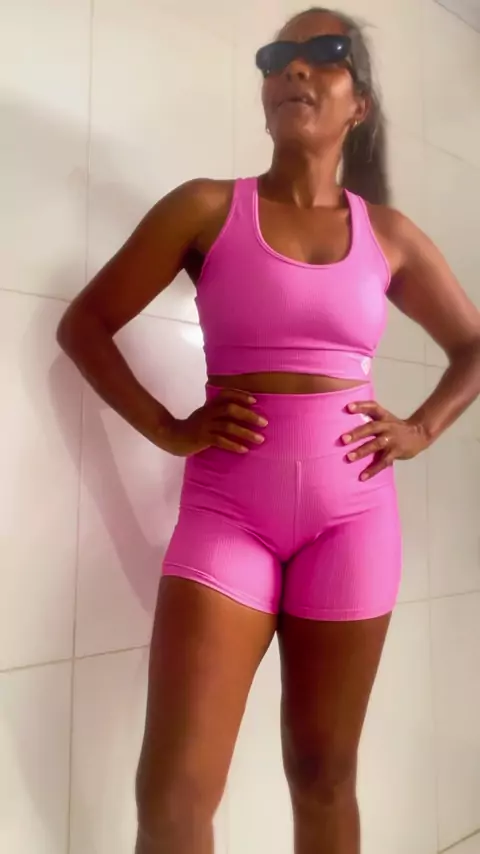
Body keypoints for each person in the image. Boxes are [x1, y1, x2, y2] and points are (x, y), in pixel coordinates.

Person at [57, 7, 480, 854]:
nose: (295, 67)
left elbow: (473, 345)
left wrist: (422, 429)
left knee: (323, 775)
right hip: (229, 515)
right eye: (277, 55)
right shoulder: (206, 208)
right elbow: (85, 325)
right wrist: (168, 427)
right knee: (172, 797)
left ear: (360, 102)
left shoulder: (388, 235)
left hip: (354, 521)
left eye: (325, 52)